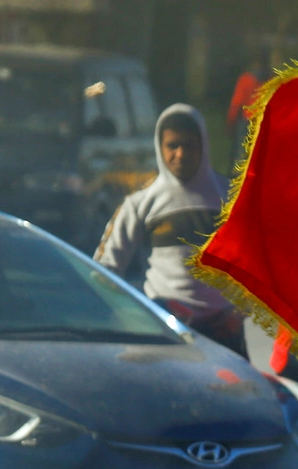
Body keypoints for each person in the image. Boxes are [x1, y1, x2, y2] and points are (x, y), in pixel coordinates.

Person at [95, 104, 244, 356]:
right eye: (172, 145)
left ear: (204, 145)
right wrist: (135, 316)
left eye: (189, 144)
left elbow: (263, 263)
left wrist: (240, 312)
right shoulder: (140, 203)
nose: (181, 154)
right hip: (166, 332)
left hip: (224, 334)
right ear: (159, 147)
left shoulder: (232, 199)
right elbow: (103, 271)